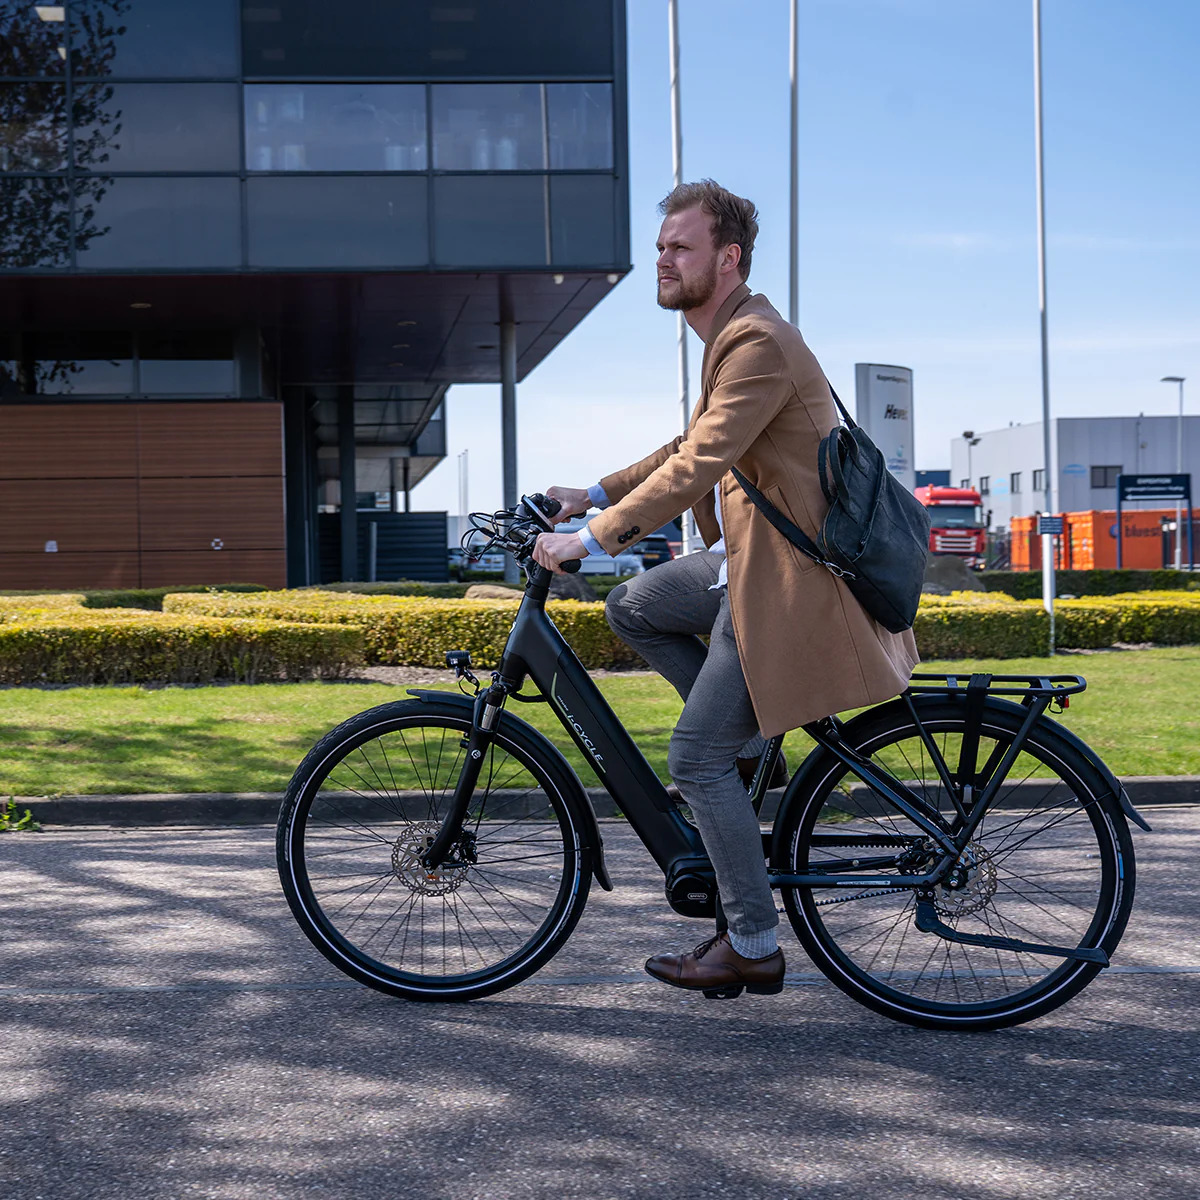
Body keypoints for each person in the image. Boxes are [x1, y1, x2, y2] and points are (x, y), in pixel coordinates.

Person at [533, 180, 920, 997]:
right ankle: (748, 749)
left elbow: (696, 467)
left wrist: (589, 540)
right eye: (663, 245)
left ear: (728, 257)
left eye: (680, 247)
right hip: (749, 567)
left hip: (792, 586)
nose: (662, 261)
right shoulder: (734, 339)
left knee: (693, 758)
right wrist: (592, 493)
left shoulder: (758, 342)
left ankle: (751, 941)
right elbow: (692, 442)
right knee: (636, 604)